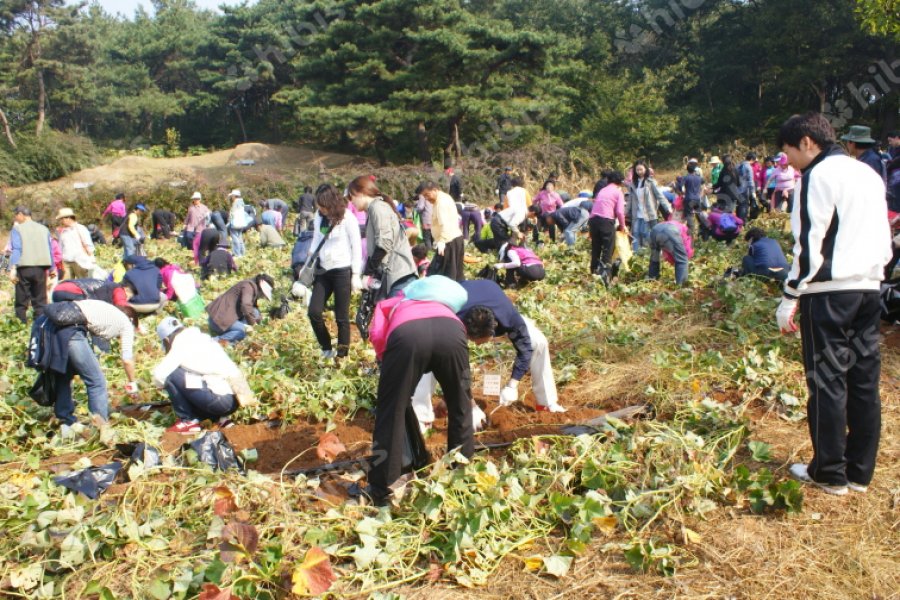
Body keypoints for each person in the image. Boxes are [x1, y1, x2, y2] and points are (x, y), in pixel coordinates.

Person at [775, 112, 892, 496]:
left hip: (828, 293)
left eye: (789, 151)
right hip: (869, 288)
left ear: (807, 142)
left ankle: (829, 472)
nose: (787, 160)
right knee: (862, 379)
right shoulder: (867, 173)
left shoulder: (818, 177)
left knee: (827, 382)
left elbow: (809, 243)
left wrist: (791, 294)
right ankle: (859, 472)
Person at [366, 284, 474, 505]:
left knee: (391, 409)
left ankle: (383, 487)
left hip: (408, 336)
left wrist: (387, 365)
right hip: (452, 333)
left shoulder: (391, 304)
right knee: (460, 405)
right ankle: (462, 475)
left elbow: (377, 334)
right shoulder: (442, 305)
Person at [412, 279, 565, 431]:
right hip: (437, 317)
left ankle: (547, 403)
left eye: (481, 342)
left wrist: (513, 384)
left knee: (539, 342)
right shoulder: (451, 321)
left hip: (490, 301)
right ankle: (421, 417)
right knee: (431, 355)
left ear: (494, 329)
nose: (478, 345)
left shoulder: (507, 316)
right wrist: (467, 404)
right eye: (474, 341)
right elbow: (456, 367)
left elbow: (525, 346)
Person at [46, 299, 137, 433]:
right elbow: (127, 360)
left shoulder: (108, 311)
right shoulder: (126, 324)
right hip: (72, 329)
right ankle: (101, 428)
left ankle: (65, 422)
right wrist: (132, 384)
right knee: (97, 382)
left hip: (53, 327)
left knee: (64, 375)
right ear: (132, 320)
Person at [153, 317, 249, 434]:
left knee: (171, 374)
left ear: (167, 340)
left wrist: (162, 386)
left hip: (219, 401)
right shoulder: (203, 338)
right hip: (233, 401)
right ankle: (221, 419)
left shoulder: (181, 343)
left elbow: (159, 375)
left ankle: (188, 421)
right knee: (194, 375)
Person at [307, 184, 362, 359]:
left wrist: (355, 274)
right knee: (314, 312)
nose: (320, 209)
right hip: (323, 269)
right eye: (319, 206)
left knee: (342, 317)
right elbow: (316, 240)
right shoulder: (319, 217)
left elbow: (357, 247)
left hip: (342, 270)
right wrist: (307, 264)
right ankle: (326, 348)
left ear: (331, 203)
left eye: (323, 206)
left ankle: (342, 354)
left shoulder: (347, 218)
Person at [348, 176, 417, 298]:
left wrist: (367, 274)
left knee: (395, 315)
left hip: (398, 275)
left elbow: (384, 244)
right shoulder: (373, 209)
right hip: (392, 275)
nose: (351, 202)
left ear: (361, 193)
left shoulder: (377, 207)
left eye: (351, 197)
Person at [9, 206, 56, 322]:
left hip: (24, 268)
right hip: (41, 268)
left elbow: (16, 249)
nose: (16, 218)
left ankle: (21, 323)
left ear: (21, 214)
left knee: (21, 299)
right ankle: (40, 324)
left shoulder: (17, 229)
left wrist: (12, 269)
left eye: (16, 215)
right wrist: (52, 268)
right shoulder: (43, 229)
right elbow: (50, 249)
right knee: (40, 299)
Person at [417, 181, 465, 281]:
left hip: (448, 241)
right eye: (424, 197)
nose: (426, 198)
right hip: (454, 238)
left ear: (435, 190)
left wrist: (442, 241)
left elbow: (445, 223)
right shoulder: (443, 197)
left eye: (427, 195)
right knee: (456, 272)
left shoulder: (441, 203)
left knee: (447, 273)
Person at [206, 274, 273, 344]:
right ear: (261, 289)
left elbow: (252, 309)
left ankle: (235, 332)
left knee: (255, 313)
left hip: (223, 317)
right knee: (243, 332)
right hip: (218, 320)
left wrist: (260, 320)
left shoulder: (251, 288)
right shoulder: (248, 287)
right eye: (263, 295)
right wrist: (252, 325)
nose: (263, 297)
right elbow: (245, 305)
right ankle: (215, 341)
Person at [626, 160, 672, 252]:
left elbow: (660, 196)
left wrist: (668, 208)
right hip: (637, 213)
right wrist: (625, 212)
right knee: (635, 234)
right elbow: (630, 201)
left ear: (645, 169)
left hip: (649, 213)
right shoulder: (633, 184)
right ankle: (636, 254)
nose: (639, 172)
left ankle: (650, 253)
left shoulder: (650, 182)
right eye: (637, 170)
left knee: (646, 234)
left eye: (641, 170)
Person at [589, 170, 627, 281]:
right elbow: (620, 211)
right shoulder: (617, 192)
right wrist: (623, 225)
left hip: (593, 220)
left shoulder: (602, 190)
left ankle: (594, 271)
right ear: (620, 182)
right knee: (608, 248)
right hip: (606, 221)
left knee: (596, 246)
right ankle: (605, 275)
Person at [648, 217, 692, 285]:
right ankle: (681, 286)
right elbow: (685, 251)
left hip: (654, 230)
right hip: (669, 232)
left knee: (654, 258)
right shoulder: (686, 231)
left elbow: (669, 250)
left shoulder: (676, 224)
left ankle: (652, 279)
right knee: (682, 260)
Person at [55, 208, 95, 280]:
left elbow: (89, 245)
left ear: (68, 218)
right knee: (67, 285)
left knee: (82, 283)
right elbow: (61, 246)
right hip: (66, 261)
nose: (61, 221)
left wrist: (89, 257)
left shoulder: (81, 229)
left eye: (62, 219)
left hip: (80, 261)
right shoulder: (63, 231)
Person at [51, 278, 127, 306]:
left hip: (57, 289)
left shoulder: (107, 285)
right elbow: (122, 307)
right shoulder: (119, 289)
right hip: (75, 291)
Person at [676, 163, 704, 236]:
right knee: (699, 215)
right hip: (697, 199)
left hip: (689, 199)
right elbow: (703, 182)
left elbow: (680, 186)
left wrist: (681, 189)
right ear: (695, 169)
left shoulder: (686, 177)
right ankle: (703, 231)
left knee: (689, 216)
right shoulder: (699, 177)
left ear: (687, 170)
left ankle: (690, 234)